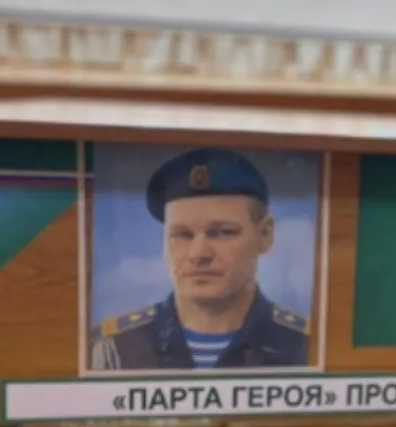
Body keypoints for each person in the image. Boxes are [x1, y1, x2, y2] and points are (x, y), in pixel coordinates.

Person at [90, 147, 310, 371]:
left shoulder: (307, 346)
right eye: (182, 235)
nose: (198, 254)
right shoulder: (113, 348)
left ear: (264, 235)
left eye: (222, 232)